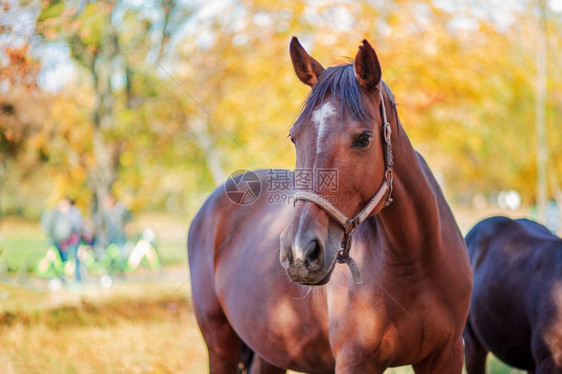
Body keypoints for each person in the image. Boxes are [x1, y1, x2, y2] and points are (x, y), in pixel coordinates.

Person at [41, 197, 84, 282]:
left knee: (73, 260)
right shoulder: (54, 213)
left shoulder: (73, 213)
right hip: (58, 240)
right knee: (59, 260)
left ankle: (76, 279)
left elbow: (77, 225)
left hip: (71, 241)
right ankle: (61, 279)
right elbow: (48, 224)